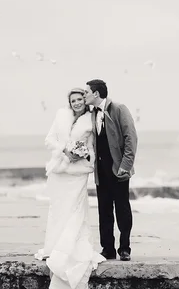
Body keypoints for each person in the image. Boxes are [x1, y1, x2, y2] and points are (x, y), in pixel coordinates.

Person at [34, 88, 106, 289]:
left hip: (78, 172)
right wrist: (64, 149)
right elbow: (49, 140)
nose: (77, 103)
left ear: (85, 100)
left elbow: (92, 146)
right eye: (73, 100)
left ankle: (72, 247)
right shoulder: (60, 116)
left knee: (76, 209)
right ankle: (55, 245)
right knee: (58, 210)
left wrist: (83, 154)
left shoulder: (91, 118)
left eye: (80, 99)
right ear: (69, 102)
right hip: (59, 171)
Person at [83, 79, 138, 261]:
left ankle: (124, 248)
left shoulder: (119, 108)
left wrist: (125, 166)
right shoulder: (91, 114)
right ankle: (107, 248)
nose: (85, 96)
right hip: (101, 170)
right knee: (104, 210)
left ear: (96, 94)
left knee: (122, 209)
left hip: (118, 169)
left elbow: (131, 138)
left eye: (87, 92)